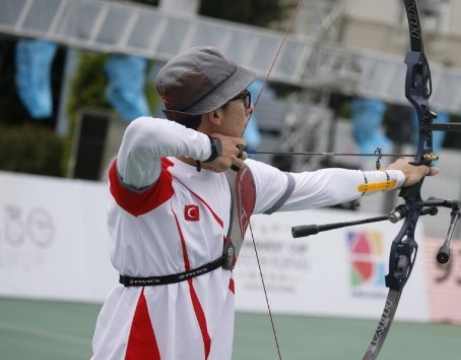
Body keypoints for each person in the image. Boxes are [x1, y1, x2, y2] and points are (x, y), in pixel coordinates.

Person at [90, 46, 438, 360]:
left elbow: (320, 185)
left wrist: (393, 176)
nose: (251, 106)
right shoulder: (148, 178)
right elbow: (141, 133)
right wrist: (211, 148)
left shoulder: (240, 178)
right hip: (137, 345)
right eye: (243, 98)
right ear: (214, 116)